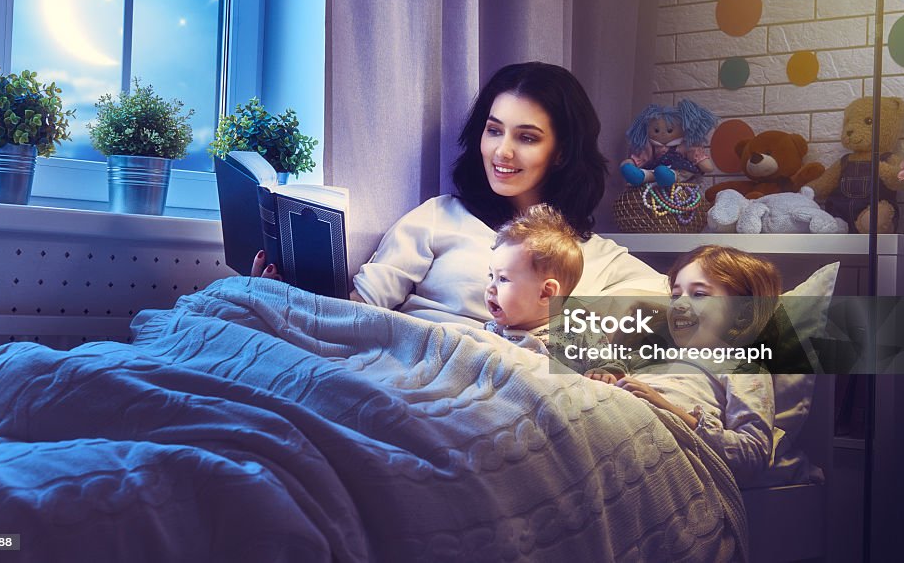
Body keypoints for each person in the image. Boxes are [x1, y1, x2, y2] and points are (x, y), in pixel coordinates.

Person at [254, 61, 667, 326]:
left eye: (526, 137)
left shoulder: (597, 256)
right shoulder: (439, 217)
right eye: (493, 130)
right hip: (405, 371)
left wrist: (559, 343)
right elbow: (357, 310)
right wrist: (274, 298)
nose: (502, 151)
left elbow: (714, 329)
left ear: (560, 154)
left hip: (511, 393)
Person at [585, 245, 780, 486]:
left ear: (742, 314)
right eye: (675, 295)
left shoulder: (742, 368)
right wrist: (607, 379)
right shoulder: (650, 356)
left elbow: (753, 455)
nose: (678, 305)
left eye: (699, 294)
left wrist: (671, 411)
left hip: (655, 445)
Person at [483, 203, 583, 355]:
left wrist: (605, 371)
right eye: (492, 276)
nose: (490, 288)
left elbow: (607, 365)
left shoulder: (574, 337)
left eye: (503, 279)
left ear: (545, 293)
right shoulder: (491, 331)